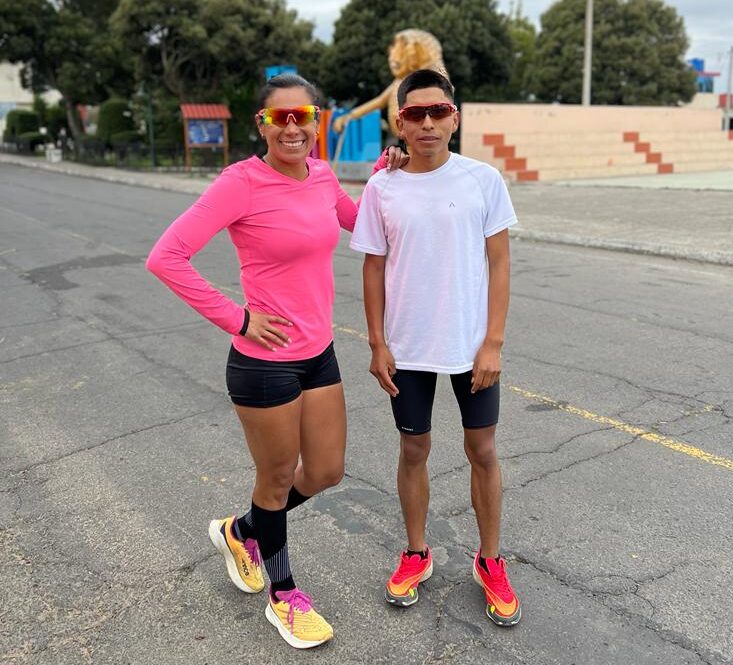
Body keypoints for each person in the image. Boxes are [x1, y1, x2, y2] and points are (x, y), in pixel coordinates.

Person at [146, 73, 406, 649]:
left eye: (303, 116)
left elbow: (357, 220)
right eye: (279, 118)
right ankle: (283, 594)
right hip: (263, 362)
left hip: (318, 353)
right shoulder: (241, 183)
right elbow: (166, 257)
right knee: (277, 477)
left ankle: (243, 532)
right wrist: (237, 319)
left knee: (327, 471)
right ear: (260, 125)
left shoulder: (319, 174)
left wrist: (387, 176)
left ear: (317, 122)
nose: (293, 127)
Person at [350, 69, 522, 626]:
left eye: (438, 112)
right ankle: (417, 553)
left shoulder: (483, 179)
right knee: (413, 450)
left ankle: (490, 561)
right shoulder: (382, 187)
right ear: (398, 121)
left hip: (472, 347)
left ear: (455, 117)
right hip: (408, 349)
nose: (427, 122)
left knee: (483, 451)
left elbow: (499, 264)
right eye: (415, 114)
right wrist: (377, 343)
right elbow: (373, 268)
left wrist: (493, 342)